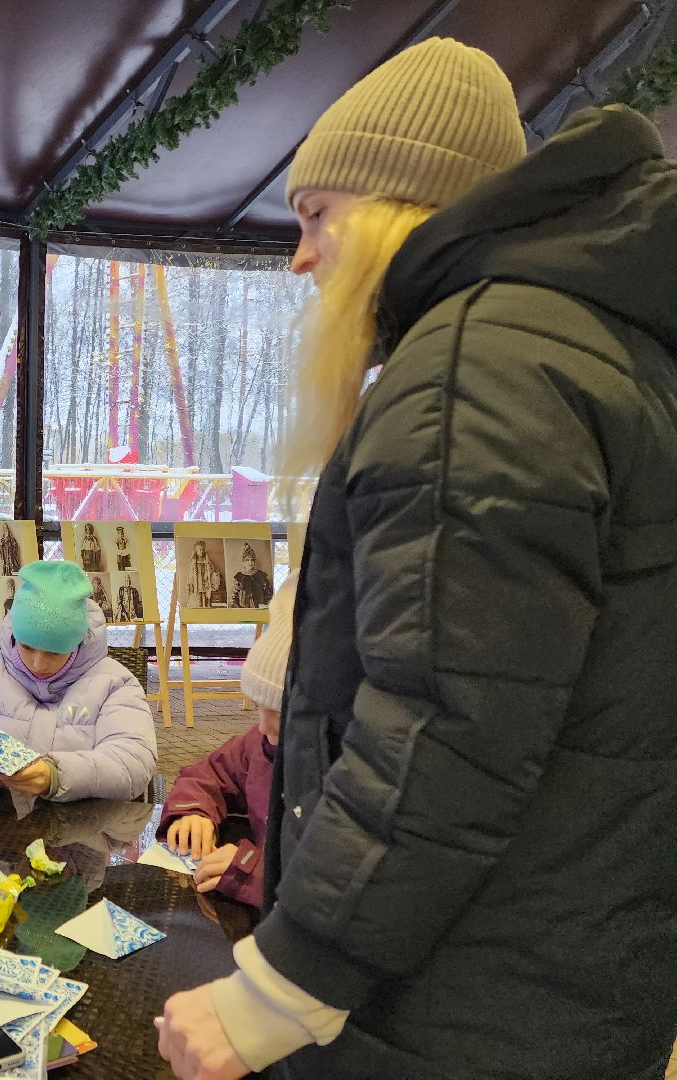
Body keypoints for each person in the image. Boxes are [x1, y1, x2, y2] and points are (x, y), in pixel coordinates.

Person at [158, 39, 677, 1080]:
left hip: (458, 1006)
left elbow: (443, 725)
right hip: (558, 964)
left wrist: (279, 988)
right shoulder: (582, 346)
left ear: (403, 206)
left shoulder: (471, 372)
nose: (299, 257)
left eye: (317, 216)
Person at [0, 560, 156, 802]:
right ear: (15, 636)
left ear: (77, 643)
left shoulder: (115, 683)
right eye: (26, 647)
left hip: (85, 820)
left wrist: (56, 776)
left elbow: (132, 762)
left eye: (54, 652)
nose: (38, 664)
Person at [158, 576, 294, 911]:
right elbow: (210, 773)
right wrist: (194, 810)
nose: (262, 726)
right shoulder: (261, 743)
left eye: (280, 715)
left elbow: (345, 889)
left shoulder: (351, 776)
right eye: (259, 708)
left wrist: (254, 871)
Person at [229, 543, 272, 609]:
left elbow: (269, 595)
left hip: (259, 609)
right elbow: (234, 596)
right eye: (247, 560)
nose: (250, 562)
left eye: (253, 560)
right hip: (243, 610)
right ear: (243, 562)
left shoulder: (261, 577)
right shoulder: (239, 578)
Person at [189, 541, 223, 607]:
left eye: (203, 549)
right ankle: (199, 607)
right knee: (198, 596)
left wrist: (208, 573)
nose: (201, 551)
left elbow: (212, 568)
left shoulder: (207, 559)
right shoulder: (193, 560)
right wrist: (191, 583)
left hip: (205, 580)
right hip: (197, 581)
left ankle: (206, 607)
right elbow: (191, 573)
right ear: (196, 550)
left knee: (206, 595)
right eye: (199, 550)